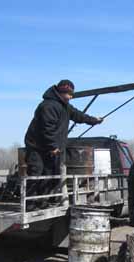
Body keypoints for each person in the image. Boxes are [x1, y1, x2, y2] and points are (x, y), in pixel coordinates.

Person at [24, 79, 103, 210]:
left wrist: (93, 120)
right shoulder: (48, 106)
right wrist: (53, 146)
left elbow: (78, 115)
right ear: (61, 92)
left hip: (51, 148)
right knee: (36, 173)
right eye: (69, 94)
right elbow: (47, 128)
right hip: (37, 147)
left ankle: (42, 202)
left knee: (49, 175)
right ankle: (30, 204)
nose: (71, 97)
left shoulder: (65, 106)